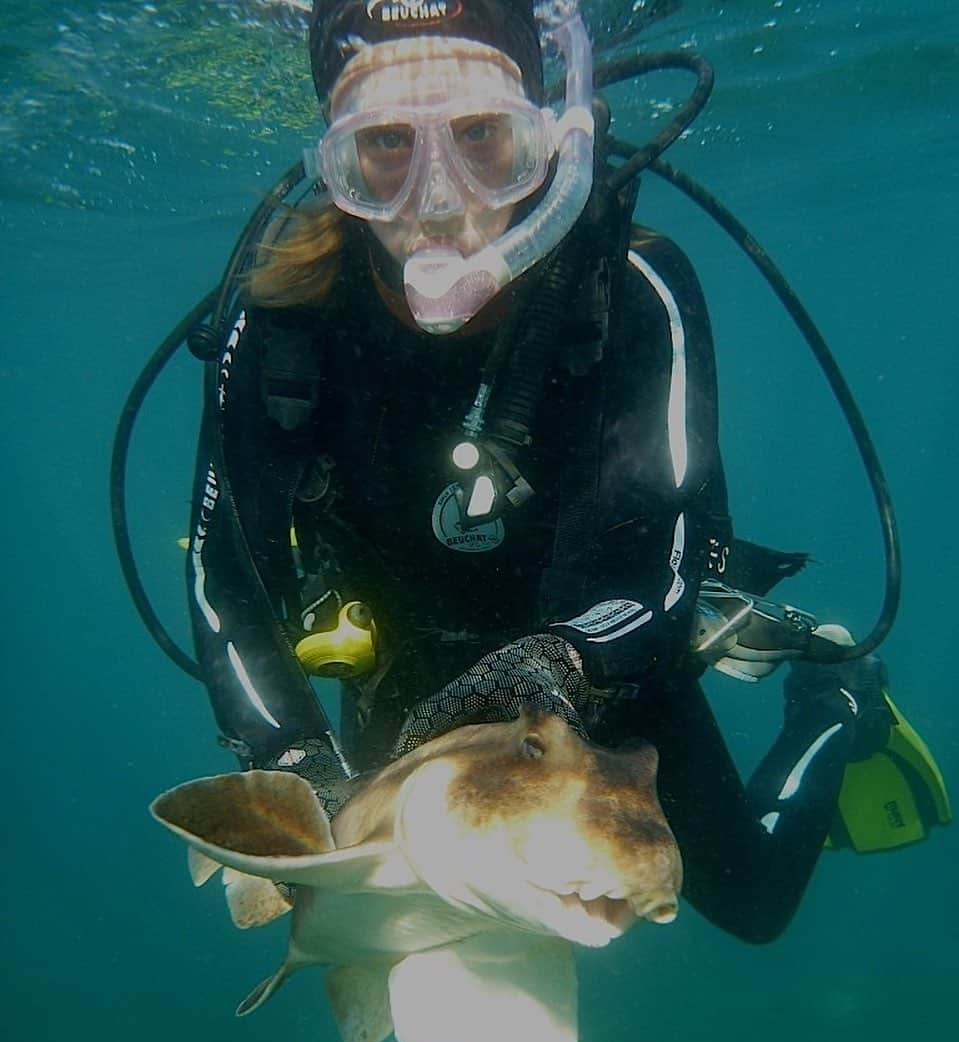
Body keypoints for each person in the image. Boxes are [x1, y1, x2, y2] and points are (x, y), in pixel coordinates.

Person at [185, 0, 944, 944]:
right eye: (383, 146)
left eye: (479, 137)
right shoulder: (277, 319)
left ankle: (834, 704)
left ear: (549, 142)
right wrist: (292, 758)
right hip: (404, 663)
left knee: (750, 901)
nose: (437, 198)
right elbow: (228, 581)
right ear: (334, 166)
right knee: (387, 902)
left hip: (600, 652)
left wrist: (562, 664)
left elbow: (672, 558)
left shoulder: (633, 291)